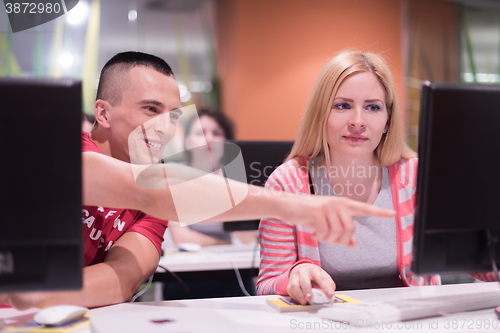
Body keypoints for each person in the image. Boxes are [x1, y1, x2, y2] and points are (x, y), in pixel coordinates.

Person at [0, 51, 394, 310]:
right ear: (102, 113)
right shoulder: (62, 151)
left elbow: (124, 278)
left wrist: (37, 295)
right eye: (150, 109)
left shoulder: (153, 207)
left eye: (173, 116)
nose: (165, 128)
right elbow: (144, 188)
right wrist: (292, 204)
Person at [256, 50, 497, 305]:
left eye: (373, 107)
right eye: (342, 105)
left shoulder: (415, 175)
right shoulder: (288, 183)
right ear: (321, 115)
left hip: (410, 322)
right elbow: (267, 285)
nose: (358, 121)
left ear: (387, 121)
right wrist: (293, 275)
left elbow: (474, 258)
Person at [169, 108, 256, 246]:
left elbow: (247, 238)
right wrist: (225, 244)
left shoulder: (237, 179)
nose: (209, 139)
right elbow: (182, 238)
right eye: (200, 133)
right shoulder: (171, 177)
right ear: (187, 141)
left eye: (217, 133)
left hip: (232, 262)